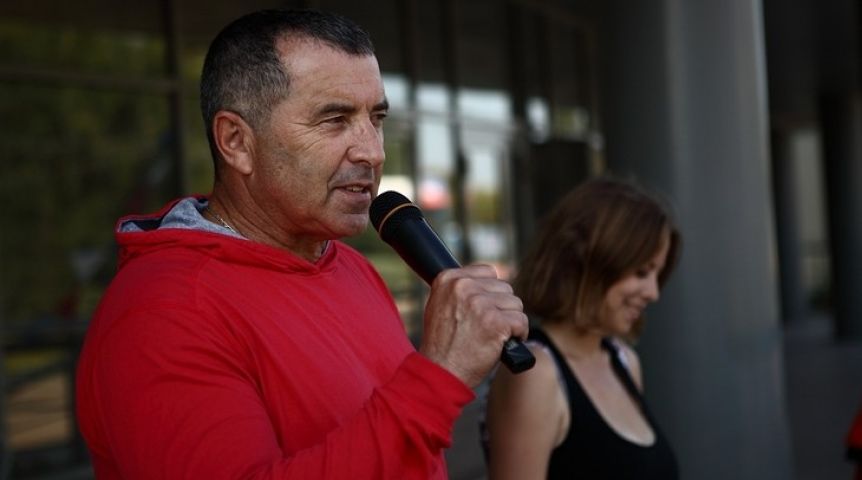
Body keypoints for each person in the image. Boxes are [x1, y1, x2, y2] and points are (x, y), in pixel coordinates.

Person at [75, 8, 528, 479]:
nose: (372, 151)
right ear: (236, 142)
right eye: (334, 120)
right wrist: (439, 377)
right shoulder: (164, 310)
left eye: (376, 118)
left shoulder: (349, 266)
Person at [481, 177, 682, 479]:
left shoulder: (624, 361)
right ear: (590, 260)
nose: (653, 292)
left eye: (657, 274)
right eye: (642, 272)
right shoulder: (536, 374)